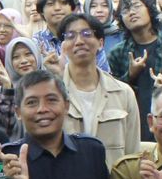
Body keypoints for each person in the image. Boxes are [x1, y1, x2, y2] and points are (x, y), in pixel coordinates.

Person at [57, 12, 140, 169]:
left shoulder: (124, 93)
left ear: (101, 43)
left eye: (87, 34)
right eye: (70, 36)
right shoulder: (53, 95)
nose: (79, 41)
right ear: (63, 46)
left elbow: (133, 154)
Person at [107, 0, 162, 141]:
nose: (132, 12)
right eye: (126, 10)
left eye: (136, 6)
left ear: (149, 10)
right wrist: (131, 75)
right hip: (134, 126)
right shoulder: (118, 53)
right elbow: (112, 96)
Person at [34, 0, 109, 73]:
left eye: (63, 2)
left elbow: (104, 74)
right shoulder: (36, 42)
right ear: (41, 10)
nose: (57, 8)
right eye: (50, 4)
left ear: (72, 8)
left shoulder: (87, 37)